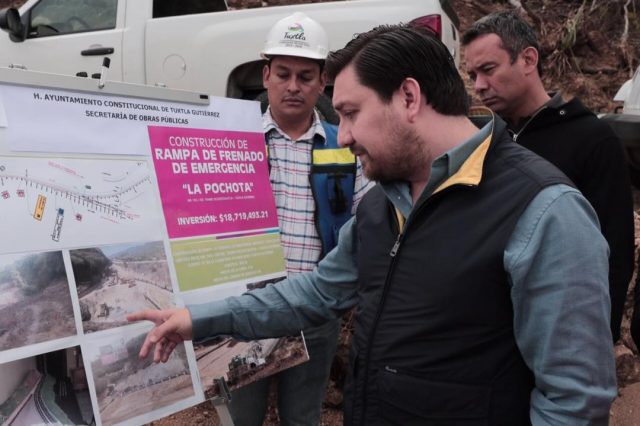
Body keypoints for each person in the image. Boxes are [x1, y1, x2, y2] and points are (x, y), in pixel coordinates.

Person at [129, 24, 617, 425]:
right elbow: (316, 293)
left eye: (350, 113)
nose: (343, 136)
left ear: (408, 97)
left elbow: (574, 402)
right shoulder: (380, 206)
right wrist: (199, 319)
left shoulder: (545, 211)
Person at [231, 12, 371, 426]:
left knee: (303, 417)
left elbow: (368, 222)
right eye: (284, 74)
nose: (294, 86)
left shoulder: (345, 147)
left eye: (306, 76)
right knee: (243, 417)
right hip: (247, 309)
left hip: (313, 311)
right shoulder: (234, 143)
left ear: (322, 82)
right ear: (266, 74)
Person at [462, 10, 635, 343]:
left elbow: (614, 249)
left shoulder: (592, 140)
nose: (479, 86)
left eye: (488, 70)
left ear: (528, 59)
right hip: (490, 334)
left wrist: (596, 336)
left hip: (560, 329)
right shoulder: (482, 141)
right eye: (472, 75)